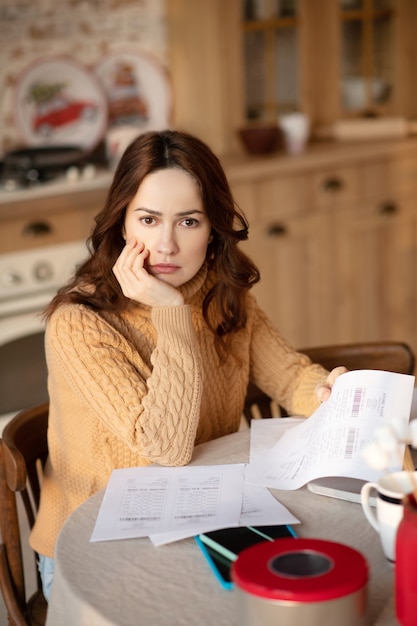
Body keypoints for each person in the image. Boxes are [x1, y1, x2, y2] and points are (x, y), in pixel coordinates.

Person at [30, 129, 346, 600]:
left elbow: (293, 375)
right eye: (149, 219)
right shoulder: (79, 323)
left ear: (214, 227)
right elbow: (166, 447)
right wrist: (171, 313)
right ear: (122, 224)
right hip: (99, 547)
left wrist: (326, 391)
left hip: (204, 516)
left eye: (189, 222)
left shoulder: (223, 296)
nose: (167, 245)